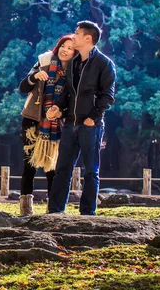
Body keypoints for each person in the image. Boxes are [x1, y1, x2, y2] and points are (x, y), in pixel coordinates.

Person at [46, 20, 116, 216]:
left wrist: (92, 118)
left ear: (88, 38)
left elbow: (107, 96)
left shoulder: (104, 64)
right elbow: (67, 92)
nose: (73, 36)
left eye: (76, 33)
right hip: (69, 124)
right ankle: (55, 210)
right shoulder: (74, 63)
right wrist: (58, 107)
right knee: (62, 169)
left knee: (90, 171)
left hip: (90, 125)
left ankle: (87, 213)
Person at [18, 35, 76, 216]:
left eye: (70, 48)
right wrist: (35, 77)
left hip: (57, 124)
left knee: (53, 168)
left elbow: (74, 102)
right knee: (29, 166)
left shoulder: (76, 72)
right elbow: (23, 87)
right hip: (32, 121)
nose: (64, 50)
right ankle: (26, 210)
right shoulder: (44, 62)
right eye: (63, 46)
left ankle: (53, 209)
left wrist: (61, 113)